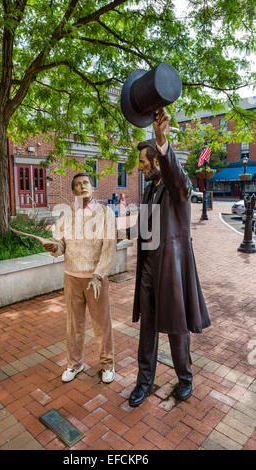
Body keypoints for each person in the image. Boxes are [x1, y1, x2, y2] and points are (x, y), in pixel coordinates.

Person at [128, 108, 211, 407]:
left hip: (171, 271)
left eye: (142, 162)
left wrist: (163, 142)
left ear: (156, 160)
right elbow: (148, 232)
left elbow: (178, 180)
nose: (139, 167)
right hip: (149, 272)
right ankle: (144, 382)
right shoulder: (150, 190)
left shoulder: (177, 187)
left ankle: (185, 379)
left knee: (176, 329)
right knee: (147, 329)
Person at [41, 172, 116, 384]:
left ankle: (107, 365)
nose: (83, 186)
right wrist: (54, 247)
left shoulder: (105, 213)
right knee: (74, 324)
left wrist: (99, 274)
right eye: (78, 184)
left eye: (86, 183)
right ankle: (75, 364)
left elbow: (109, 248)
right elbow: (60, 245)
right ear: (73, 191)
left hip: (96, 278)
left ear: (92, 188)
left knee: (102, 324)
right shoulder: (66, 216)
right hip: (72, 276)